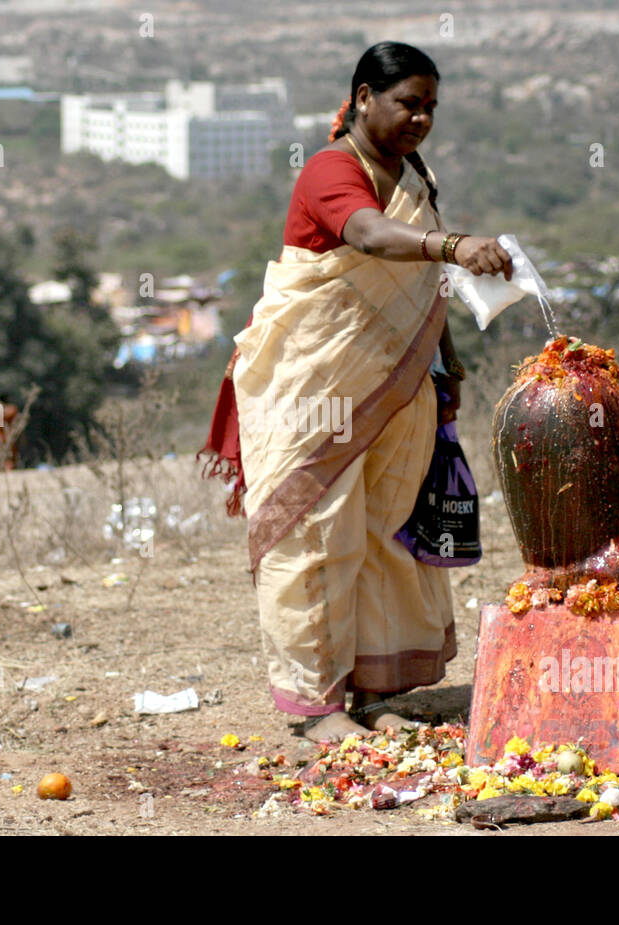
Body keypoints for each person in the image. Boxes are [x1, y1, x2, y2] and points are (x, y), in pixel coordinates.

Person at [200, 42, 514, 744]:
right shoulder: (330, 169)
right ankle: (315, 707)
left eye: (431, 106)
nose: (422, 118)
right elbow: (371, 237)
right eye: (409, 102)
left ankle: (373, 692)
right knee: (317, 533)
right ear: (364, 96)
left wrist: (448, 365)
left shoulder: (410, 173)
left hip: (398, 386)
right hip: (316, 385)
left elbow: (420, 286)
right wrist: (458, 245)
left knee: (384, 535)